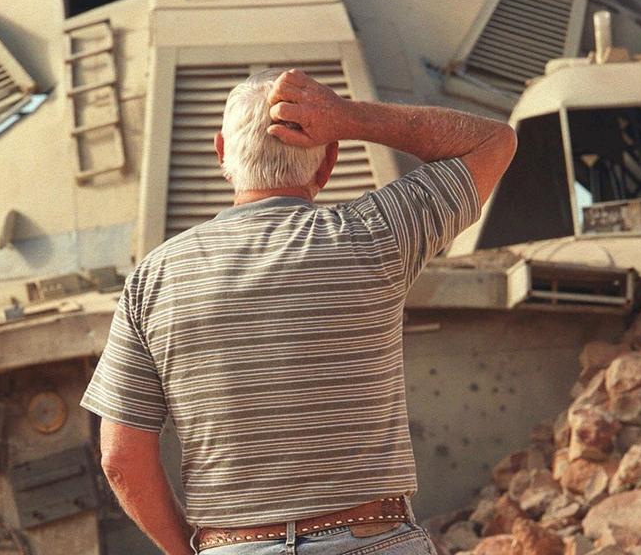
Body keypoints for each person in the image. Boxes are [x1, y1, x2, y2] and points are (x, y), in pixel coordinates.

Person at [81, 68, 517, 554]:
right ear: (327, 162)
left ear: (222, 153)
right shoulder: (376, 234)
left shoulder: (154, 278)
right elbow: (493, 141)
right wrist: (347, 117)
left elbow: (121, 456)